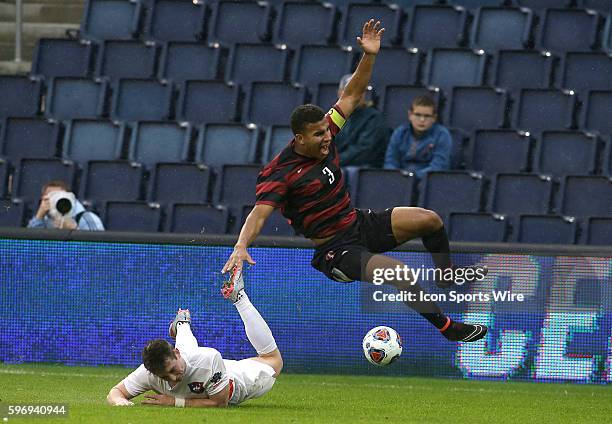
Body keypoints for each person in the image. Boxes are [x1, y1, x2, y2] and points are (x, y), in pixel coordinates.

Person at [222, 19, 488, 343]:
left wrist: (370, 56)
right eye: (318, 134)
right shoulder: (281, 172)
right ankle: (448, 329)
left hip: (359, 224)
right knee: (399, 273)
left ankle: (446, 278)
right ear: (299, 138)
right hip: (335, 250)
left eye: (326, 130)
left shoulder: (328, 128)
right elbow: (258, 213)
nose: (326, 137)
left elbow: (352, 94)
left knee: (428, 220)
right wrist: (240, 245)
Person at [106, 270, 282, 407]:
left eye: (172, 370)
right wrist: (121, 403)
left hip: (237, 380)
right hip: (206, 369)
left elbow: (219, 403)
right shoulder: (150, 373)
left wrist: (175, 402)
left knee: (272, 360)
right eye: (165, 377)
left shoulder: (209, 358)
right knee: (189, 353)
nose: (173, 378)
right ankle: (182, 323)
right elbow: (115, 393)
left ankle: (239, 298)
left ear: (176, 354)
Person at [384, 95, 451, 179]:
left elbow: (438, 166)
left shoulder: (442, 134)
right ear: (410, 115)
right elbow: (390, 162)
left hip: (427, 181)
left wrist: (412, 178)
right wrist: (397, 176)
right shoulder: (400, 132)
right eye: (418, 115)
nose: (422, 120)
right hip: (399, 180)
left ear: (434, 118)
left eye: (427, 116)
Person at [332, 73, 391, 168]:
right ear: (339, 93)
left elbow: (364, 151)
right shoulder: (335, 116)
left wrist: (333, 162)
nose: (354, 95)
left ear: (364, 94)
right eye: (349, 91)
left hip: (363, 169)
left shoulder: (374, 118)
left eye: (359, 91)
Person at [26, 180, 104, 231]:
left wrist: (75, 231)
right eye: (53, 197)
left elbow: (98, 249)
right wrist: (39, 215)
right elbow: (29, 246)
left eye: (60, 196)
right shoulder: (43, 219)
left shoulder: (86, 218)